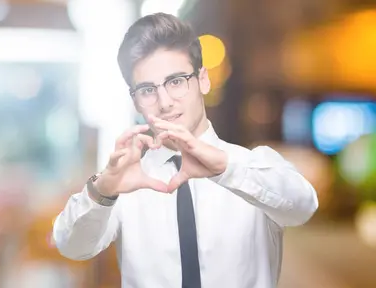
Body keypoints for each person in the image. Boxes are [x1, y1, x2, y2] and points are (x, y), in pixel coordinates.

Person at [52, 13, 318, 288]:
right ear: (135, 101)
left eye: (176, 81)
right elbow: (71, 246)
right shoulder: (127, 181)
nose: (165, 102)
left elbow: (303, 206)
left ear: (203, 80)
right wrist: (103, 190)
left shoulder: (252, 165)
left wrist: (226, 168)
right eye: (147, 89)